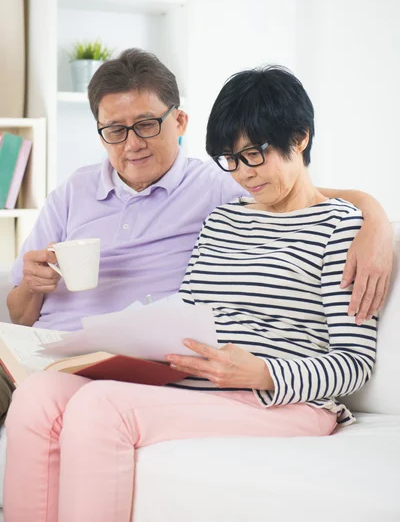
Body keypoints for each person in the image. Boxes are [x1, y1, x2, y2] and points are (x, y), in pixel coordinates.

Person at [4, 65, 378, 521]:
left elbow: (355, 363)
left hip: (282, 399)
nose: (243, 174)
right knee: (37, 395)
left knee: (100, 408)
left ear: (299, 139)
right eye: (230, 159)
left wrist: (263, 372)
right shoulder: (223, 218)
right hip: (199, 388)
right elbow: (188, 310)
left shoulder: (341, 228)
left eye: (254, 155)